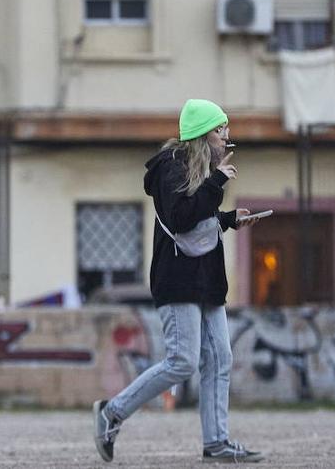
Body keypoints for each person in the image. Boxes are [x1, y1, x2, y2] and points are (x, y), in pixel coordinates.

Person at [93, 99, 264, 464]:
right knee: (182, 361)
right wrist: (218, 181)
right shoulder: (171, 168)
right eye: (220, 131)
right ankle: (112, 412)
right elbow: (182, 217)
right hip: (177, 279)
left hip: (205, 279)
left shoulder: (200, 170)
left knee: (220, 357)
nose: (226, 138)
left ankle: (217, 442)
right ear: (202, 135)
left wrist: (229, 219)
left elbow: (200, 218)